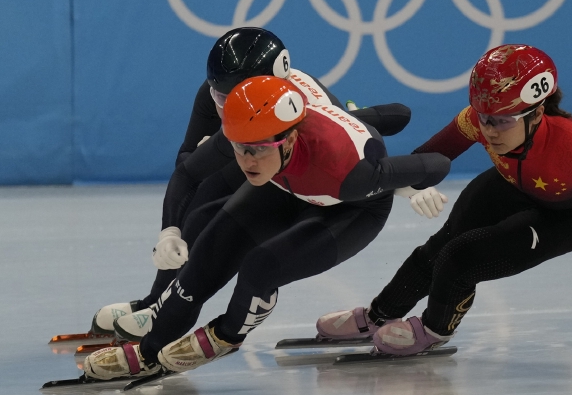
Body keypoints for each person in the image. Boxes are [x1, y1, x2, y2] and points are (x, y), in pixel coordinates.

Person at [316, 44, 572, 356]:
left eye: (501, 121)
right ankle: (377, 316)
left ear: (536, 114)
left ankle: (432, 331)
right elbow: (430, 155)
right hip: (513, 185)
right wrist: (412, 183)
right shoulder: (478, 118)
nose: (489, 129)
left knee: (460, 257)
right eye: (484, 118)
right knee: (438, 247)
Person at [81, 75, 451, 379]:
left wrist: (409, 184)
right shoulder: (244, 135)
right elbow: (188, 174)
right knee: (206, 256)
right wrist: (170, 232)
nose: (246, 160)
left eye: (257, 149)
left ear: (288, 139)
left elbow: (436, 162)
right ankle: (148, 351)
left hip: (350, 207)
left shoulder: (348, 173)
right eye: (240, 149)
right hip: (286, 185)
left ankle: (225, 335)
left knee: (261, 267)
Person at [89, 27, 413, 339]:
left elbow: (358, 147)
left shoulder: (306, 107)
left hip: (303, 183)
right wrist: (172, 227)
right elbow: (187, 165)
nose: (231, 105)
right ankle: (157, 303)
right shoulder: (211, 93)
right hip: (261, 160)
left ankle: (169, 307)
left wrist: (398, 180)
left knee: (215, 212)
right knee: (202, 198)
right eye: (223, 95)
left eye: (243, 96)